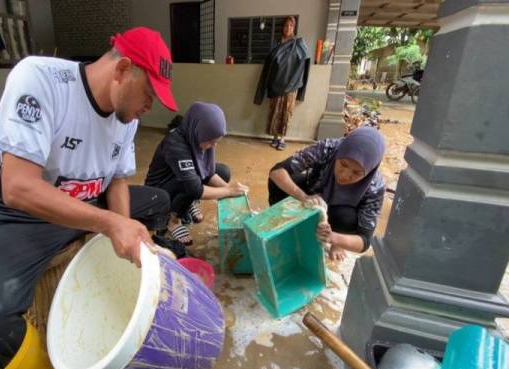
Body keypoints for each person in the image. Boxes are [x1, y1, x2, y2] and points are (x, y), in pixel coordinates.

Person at [0, 27, 177, 369]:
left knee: (160, 199)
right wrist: (111, 224)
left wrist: (121, 238)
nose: (149, 107)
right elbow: (18, 187)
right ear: (121, 71)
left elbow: (118, 180)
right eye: (148, 94)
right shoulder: (40, 79)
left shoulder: (126, 116)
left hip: (91, 201)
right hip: (26, 217)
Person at [268, 127, 386, 261]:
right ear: (340, 154)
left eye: (356, 173)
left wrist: (334, 238)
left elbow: (364, 241)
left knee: (346, 217)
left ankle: (337, 243)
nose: (345, 175)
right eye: (343, 164)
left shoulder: (375, 186)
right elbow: (277, 171)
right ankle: (285, 225)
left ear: (368, 172)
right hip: (314, 194)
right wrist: (303, 197)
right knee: (282, 182)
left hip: (339, 215)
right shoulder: (328, 148)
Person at [145, 102, 248, 245]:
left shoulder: (198, 137)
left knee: (223, 172)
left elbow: (209, 173)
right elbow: (195, 188)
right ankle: (173, 221)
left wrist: (229, 188)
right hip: (158, 190)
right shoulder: (175, 145)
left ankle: (186, 204)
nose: (213, 146)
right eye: (211, 141)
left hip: (180, 178)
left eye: (216, 141)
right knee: (192, 185)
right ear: (198, 131)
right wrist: (228, 191)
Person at [254, 16, 310, 151]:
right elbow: (270, 63)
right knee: (275, 111)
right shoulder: (277, 44)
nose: (288, 28)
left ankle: (282, 138)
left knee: (286, 112)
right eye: (286, 26)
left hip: (291, 86)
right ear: (282, 27)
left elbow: (305, 62)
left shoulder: (299, 44)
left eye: (291, 26)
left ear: (294, 27)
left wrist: (300, 88)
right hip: (275, 84)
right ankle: (275, 137)